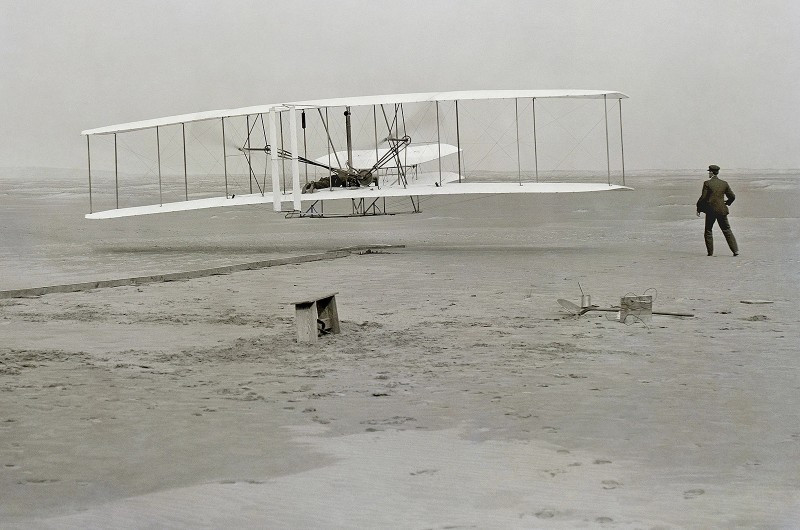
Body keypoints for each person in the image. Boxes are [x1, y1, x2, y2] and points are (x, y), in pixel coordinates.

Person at [696, 164, 739, 256]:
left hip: (711, 211)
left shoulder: (707, 183)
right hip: (722, 210)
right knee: (727, 230)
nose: (708, 173)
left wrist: (699, 208)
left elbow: (703, 198)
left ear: (711, 172)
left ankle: (710, 253)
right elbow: (732, 196)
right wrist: (727, 203)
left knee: (708, 230)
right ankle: (735, 251)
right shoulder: (724, 183)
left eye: (709, 172)